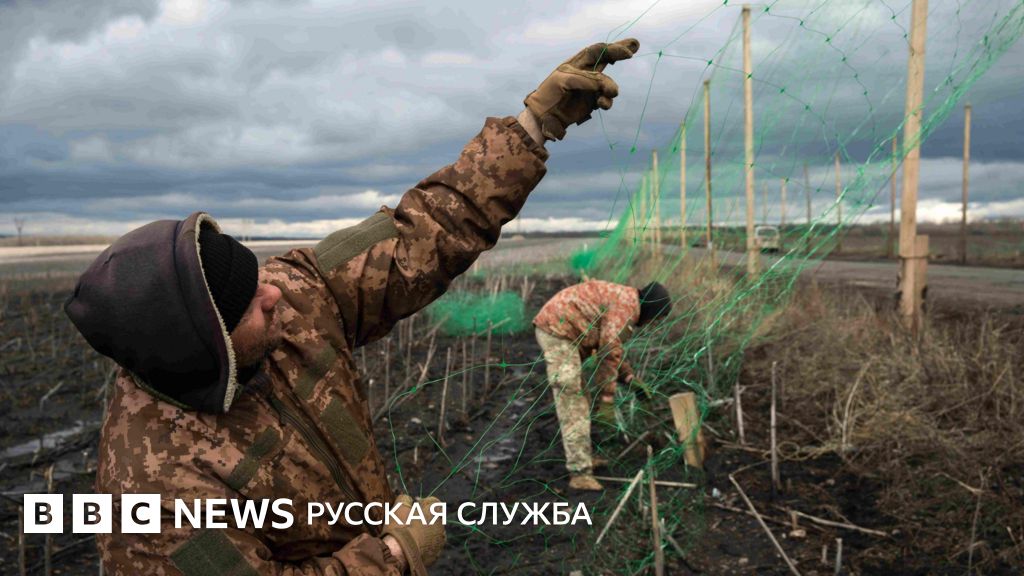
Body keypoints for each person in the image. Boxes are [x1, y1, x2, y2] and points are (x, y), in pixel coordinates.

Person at [64, 39, 640, 575]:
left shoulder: (293, 291)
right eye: (245, 305)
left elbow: (422, 232)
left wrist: (534, 126)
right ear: (201, 350)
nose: (272, 294)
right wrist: (392, 553)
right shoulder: (151, 503)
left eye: (252, 274)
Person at [533, 280, 671, 491]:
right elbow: (607, 352)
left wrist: (629, 379)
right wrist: (607, 399)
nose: (655, 324)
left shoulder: (627, 302)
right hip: (557, 331)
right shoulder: (626, 309)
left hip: (565, 332)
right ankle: (580, 474)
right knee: (573, 404)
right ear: (652, 309)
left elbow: (612, 346)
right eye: (657, 319)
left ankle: (583, 458)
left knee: (581, 401)